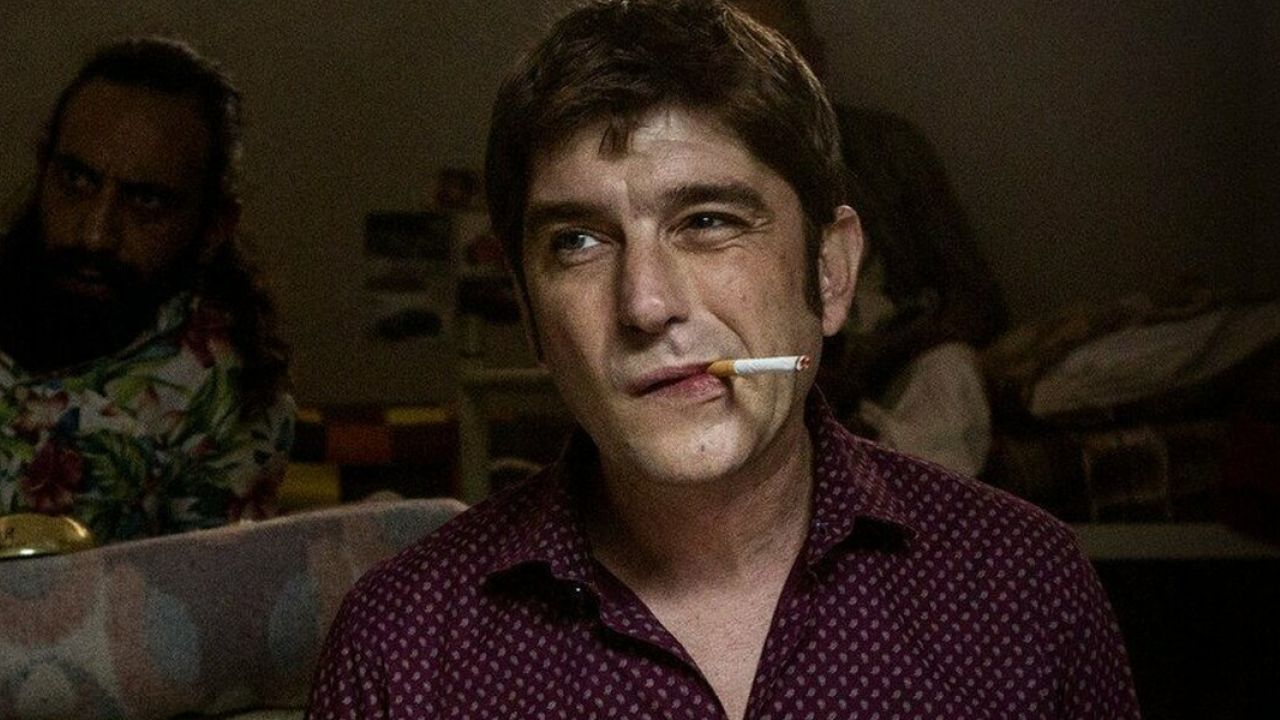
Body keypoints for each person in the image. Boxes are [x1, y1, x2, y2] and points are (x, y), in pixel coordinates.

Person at [308, 1, 1138, 718]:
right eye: (579, 242)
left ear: (830, 272)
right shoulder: (402, 649)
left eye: (707, 222)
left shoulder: (1024, 590)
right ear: (529, 316)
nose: (645, 304)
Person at [0, 37, 295, 544]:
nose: (95, 234)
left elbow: (213, 589)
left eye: (147, 202)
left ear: (213, 227)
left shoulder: (221, 398)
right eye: (76, 181)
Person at [731, 0, 1008, 477]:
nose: (767, 83)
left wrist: (886, 354)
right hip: (784, 376)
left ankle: (901, 503)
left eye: (781, 60)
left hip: (903, 367)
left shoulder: (891, 149)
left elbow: (977, 299)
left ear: (815, 61)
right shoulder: (713, 173)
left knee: (950, 372)